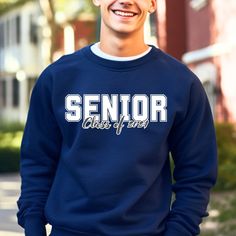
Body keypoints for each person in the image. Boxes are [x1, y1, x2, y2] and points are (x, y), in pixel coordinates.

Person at [16, 0, 218, 235]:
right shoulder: (57, 78)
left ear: (152, 4)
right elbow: (37, 163)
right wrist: (33, 227)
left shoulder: (182, 83)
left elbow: (196, 175)